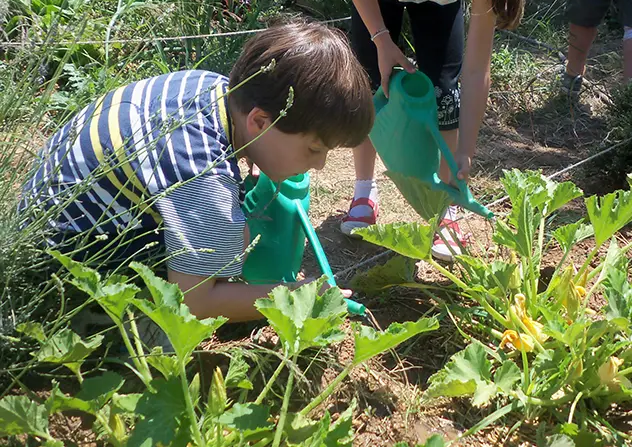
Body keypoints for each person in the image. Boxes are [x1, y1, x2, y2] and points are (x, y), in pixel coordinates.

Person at [18, 21, 373, 322]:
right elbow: (196, 303)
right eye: (314, 148)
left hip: (46, 213)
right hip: (59, 275)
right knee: (166, 328)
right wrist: (301, 297)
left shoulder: (211, 87)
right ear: (260, 122)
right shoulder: (203, 177)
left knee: (228, 238)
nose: (320, 164)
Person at [340, 0, 553, 261]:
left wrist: (465, 154)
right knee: (371, 85)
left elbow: (475, 71)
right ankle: (364, 191)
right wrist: (382, 41)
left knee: (445, 91)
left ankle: (446, 209)